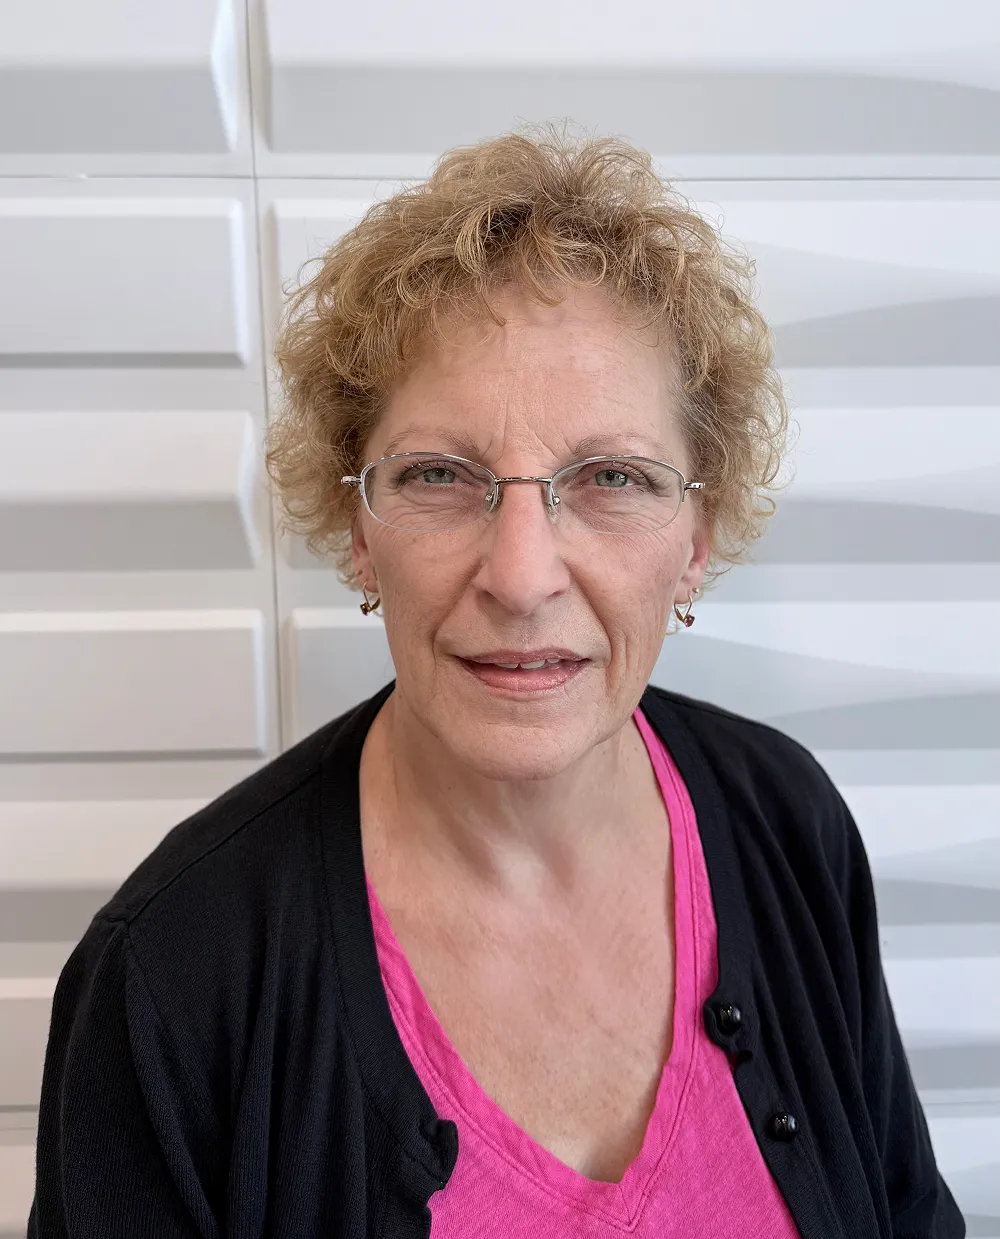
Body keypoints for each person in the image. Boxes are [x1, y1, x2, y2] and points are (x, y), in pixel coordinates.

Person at [29, 128, 964, 1238]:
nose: (521, 578)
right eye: (438, 474)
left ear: (697, 536)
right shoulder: (171, 975)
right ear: (358, 530)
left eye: (611, 477)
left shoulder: (785, 822)